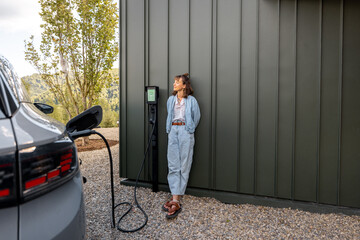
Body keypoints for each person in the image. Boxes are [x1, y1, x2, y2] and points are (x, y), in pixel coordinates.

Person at [162, 73, 201, 219]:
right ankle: (175, 197)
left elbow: (196, 117)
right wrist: (171, 129)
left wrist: (189, 129)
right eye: (174, 82)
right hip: (173, 131)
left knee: (184, 164)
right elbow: (169, 115)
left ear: (184, 85)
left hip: (186, 131)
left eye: (177, 82)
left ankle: (176, 200)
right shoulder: (171, 100)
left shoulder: (192, 101)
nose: (174, 84)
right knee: (173, 164)